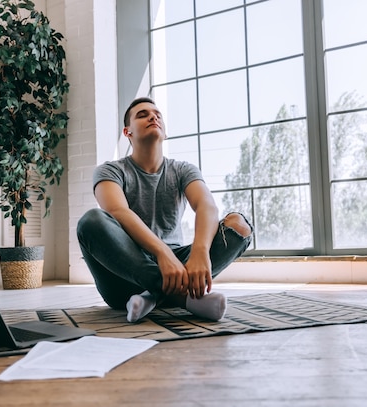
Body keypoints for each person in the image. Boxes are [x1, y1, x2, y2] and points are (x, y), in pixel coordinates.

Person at [77, 97, 253, 323]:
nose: (153, 117)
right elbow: (118, 211)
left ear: (165, 132)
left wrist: (200, 251)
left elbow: (206, 205)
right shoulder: (110, 171)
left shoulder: (182, 170)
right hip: (124, 276)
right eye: (142, 115)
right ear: (127, 132)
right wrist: (162, 254)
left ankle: (153, 296)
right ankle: (184, 298)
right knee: (90, 221)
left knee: (239, 226)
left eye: (157, 114)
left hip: (179, 268)